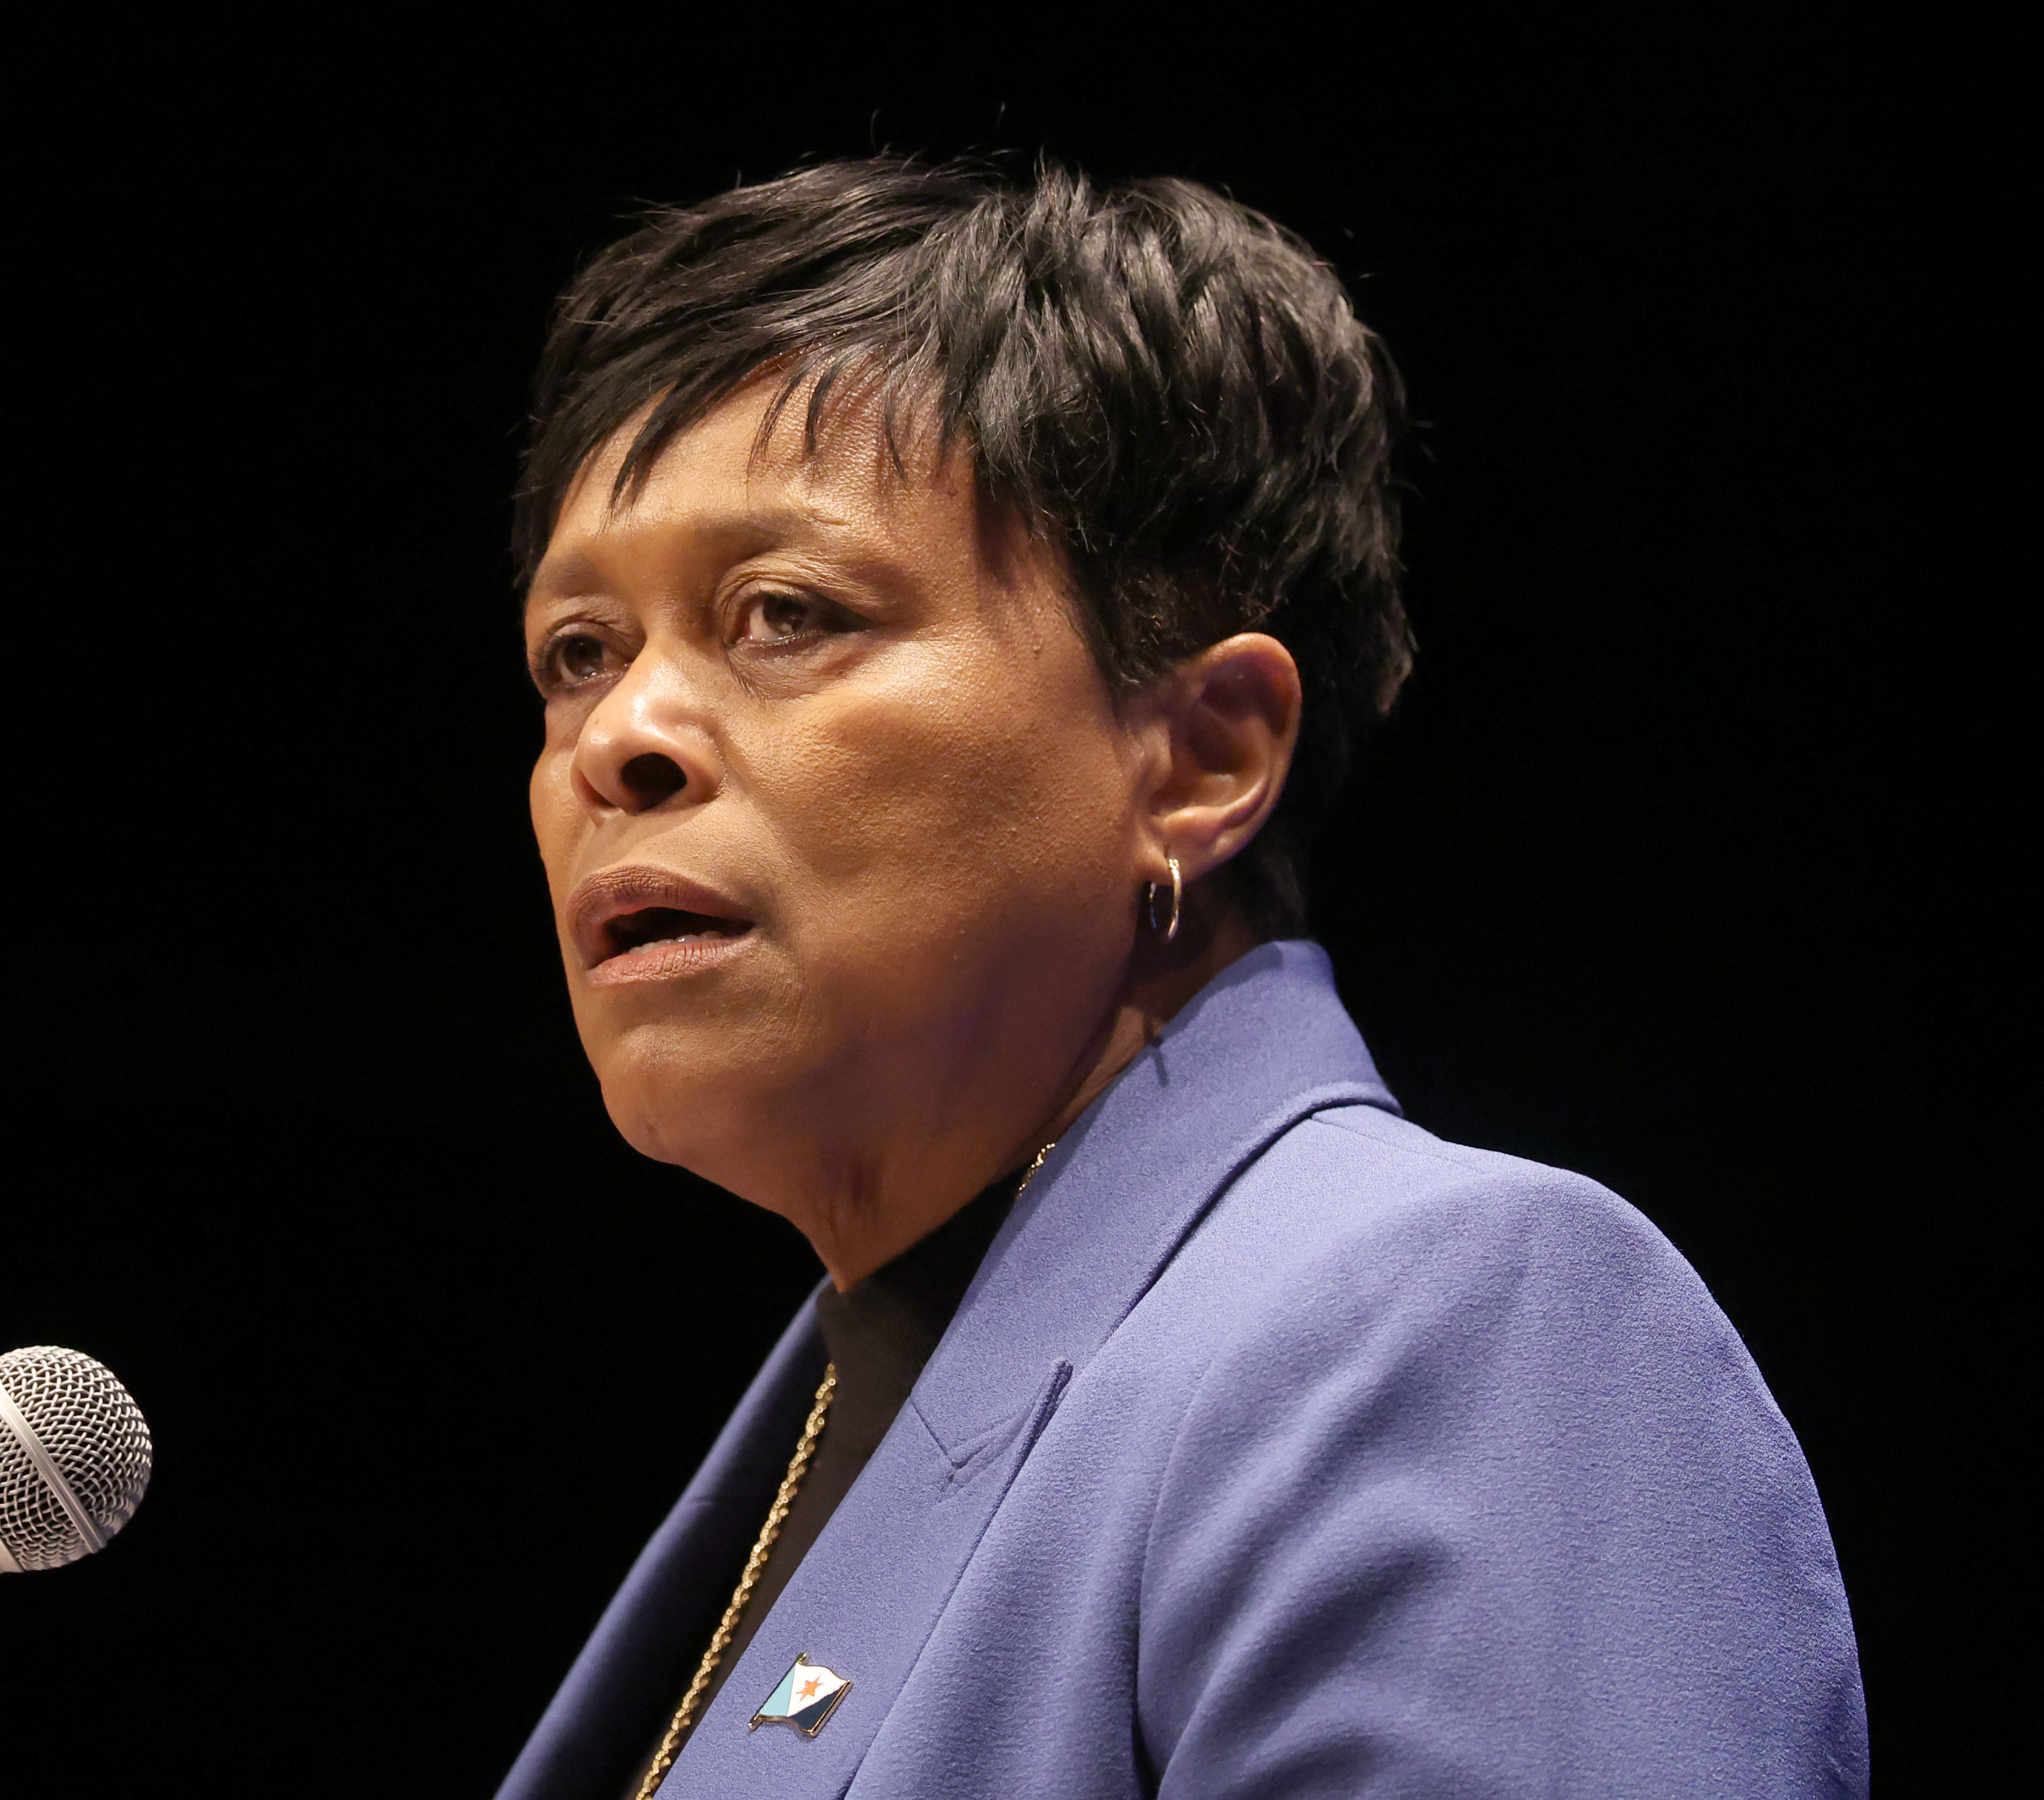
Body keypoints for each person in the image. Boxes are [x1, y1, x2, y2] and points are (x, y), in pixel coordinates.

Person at [494, 159, 1865, 1799]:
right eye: (579, 652)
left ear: (1200, 757)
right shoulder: (843, 1421)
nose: (621, 740)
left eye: (782, 612)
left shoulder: (1438, 1322)